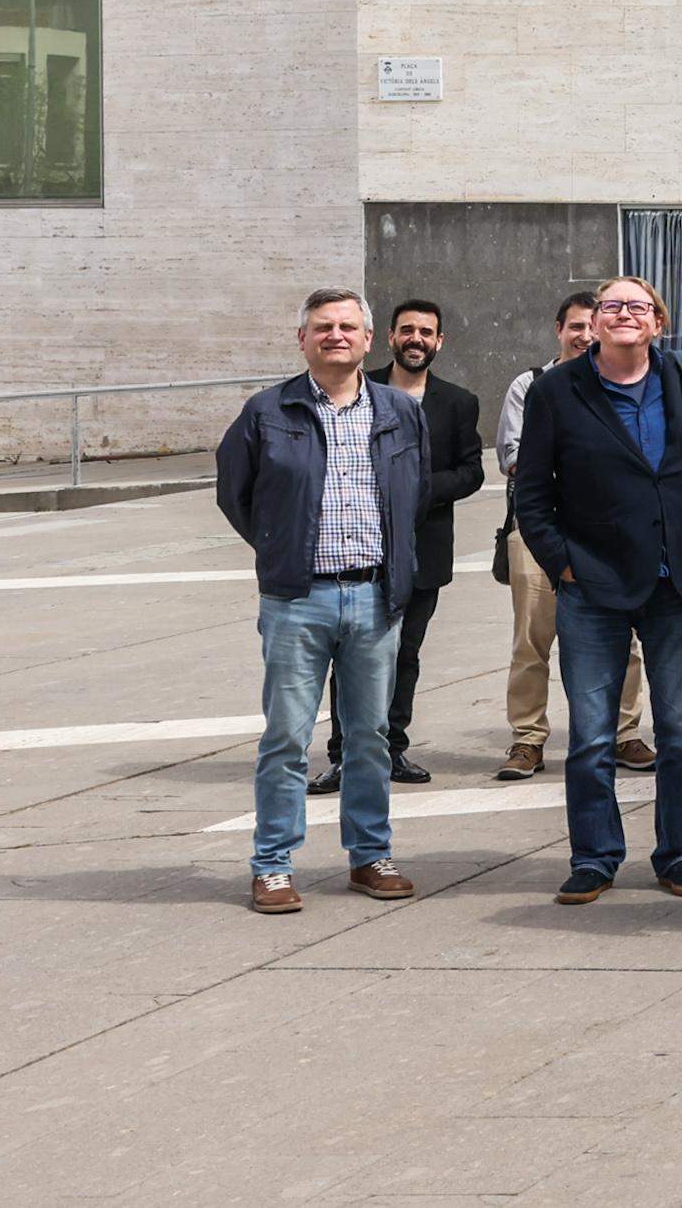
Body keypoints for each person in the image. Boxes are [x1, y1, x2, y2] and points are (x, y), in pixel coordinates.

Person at [218, 286, 428, 913]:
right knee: (286, 737)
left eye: (347, 326)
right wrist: (279, 546)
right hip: (296, 600)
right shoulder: (266, 411)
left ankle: (370, 855)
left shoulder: (397, 409)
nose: (335, 335)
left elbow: (409, 493)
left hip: (373, 598)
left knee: (369, 736)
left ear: (370, 339)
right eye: (322, 326)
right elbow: (237, 494)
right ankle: (274, 865)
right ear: (302, 340)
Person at [515, 278, 682, 905]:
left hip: (677, 583)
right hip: (593, 588)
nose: (625, 315)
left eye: (638, 307)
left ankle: (679, 852)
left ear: (658, 321)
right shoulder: (556, 390)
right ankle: (595, 857)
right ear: (593, 322)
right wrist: (566, 566)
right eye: (612, 307)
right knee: (593, 736)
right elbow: (530, 493)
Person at [320, 294, 482, 793]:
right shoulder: (358, 392)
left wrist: (413, 489)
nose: (416, 340)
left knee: (403, 654)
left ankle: (392, 749)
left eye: (426, 332)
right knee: (349, 657)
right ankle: (344, 754)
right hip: (360, 549)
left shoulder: (458, 402)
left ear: (439, 342)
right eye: (407, 330)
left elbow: (472, 471)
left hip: (423, 552)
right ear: (389, 337)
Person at [495, 288, 643, 781]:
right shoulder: (530, 386)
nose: (583, 335)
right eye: (574, 327)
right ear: (559, 330)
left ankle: (626, 733)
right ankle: (527, 739)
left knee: (627, 641)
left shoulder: (618, 382)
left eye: (590, 325)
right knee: (531, 640)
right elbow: (516, 458)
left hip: (607, 535)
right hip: (537, 531)